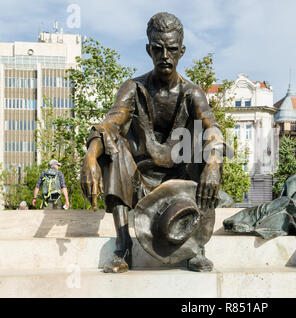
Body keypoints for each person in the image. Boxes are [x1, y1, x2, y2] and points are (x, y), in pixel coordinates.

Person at [80, 12, 228, 273]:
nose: (165, 56)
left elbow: (212, 128)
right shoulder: (133, 88)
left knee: (206, 144)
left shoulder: (192, 93)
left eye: (171, 49)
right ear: (149, 49)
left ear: (181, 50)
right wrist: (90, 157)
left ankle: (196, 246)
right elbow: (110, 124)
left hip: (181, 184)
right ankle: (123, 246)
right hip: (139, 182)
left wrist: (214, 165)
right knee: (113, 146)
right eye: (158, 49)